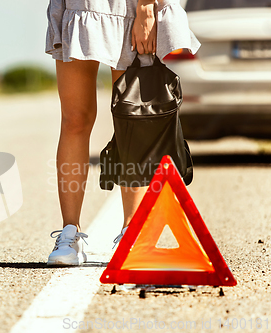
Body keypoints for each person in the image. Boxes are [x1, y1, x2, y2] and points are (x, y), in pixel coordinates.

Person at [45, 0, 200, 265]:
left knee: (133, 121)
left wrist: (146, 8)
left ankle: (131, 232)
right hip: (80, 6)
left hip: (129, 7)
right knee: (75, 120)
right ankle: (69, 233)